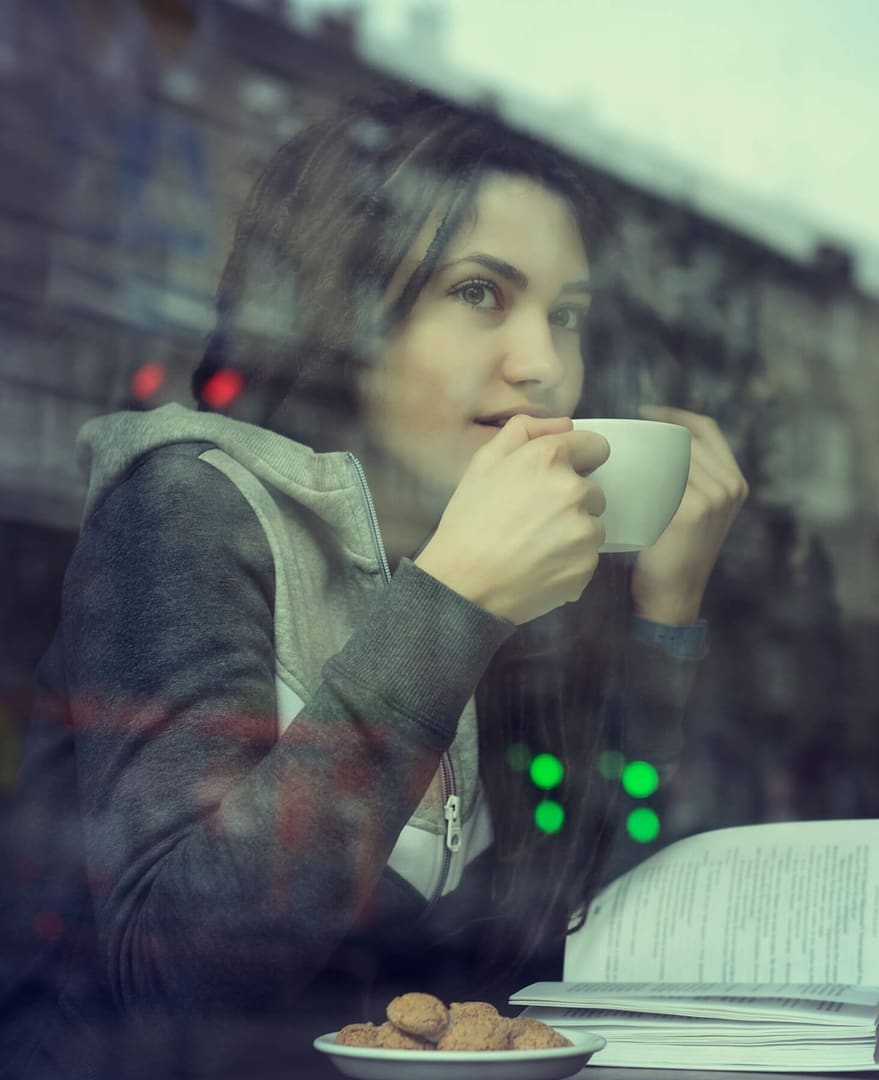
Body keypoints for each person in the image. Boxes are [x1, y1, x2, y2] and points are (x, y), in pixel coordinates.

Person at [1, 92, 747, 1079]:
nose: (544, 367)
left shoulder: (500, 558)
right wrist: (452, 608)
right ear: (343, 314)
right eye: (479, 292)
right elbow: (174, 978)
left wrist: (665, 615)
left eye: (566, 316)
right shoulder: (189, 505)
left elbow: (583, 919)